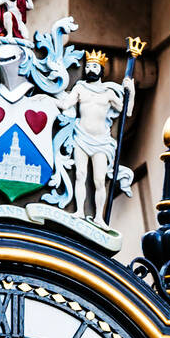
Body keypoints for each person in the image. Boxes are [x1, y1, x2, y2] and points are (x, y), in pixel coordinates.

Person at [58, 50, 136, 225]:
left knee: (99, 180)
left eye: (94, 67)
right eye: (88, 67)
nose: (90, 70)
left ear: (101, 69)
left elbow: (126, 111)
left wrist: (131, 91)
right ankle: (79, 210)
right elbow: (64, 104)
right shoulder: (79, 88)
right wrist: (43, 99)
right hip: (81, 136)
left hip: (101, 141)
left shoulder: (108, 93)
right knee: (80, 174)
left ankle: (99, 217)